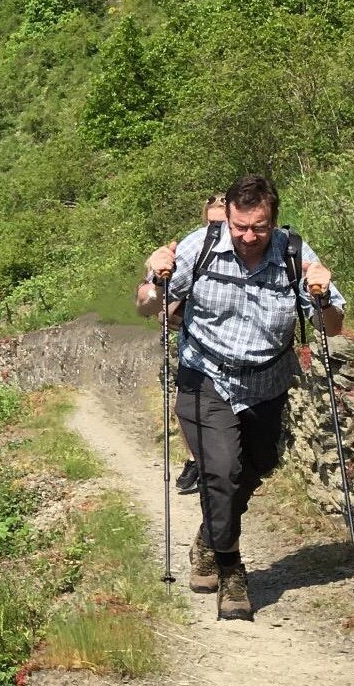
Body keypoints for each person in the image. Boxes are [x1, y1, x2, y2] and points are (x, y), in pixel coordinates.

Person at [142, 174, 345, 622]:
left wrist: (324, 292)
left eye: (259, 227)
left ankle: (209, 536)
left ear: (273, 219)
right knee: (221, 472)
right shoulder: (200, 246)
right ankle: (232, 572)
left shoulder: (293, 253)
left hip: (267, 382)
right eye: (240, 227)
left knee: (255, 468)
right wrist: (153, 278)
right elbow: (146, 307)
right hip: (206, 376)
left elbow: (332, 327)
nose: (249, 237)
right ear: (228, 218)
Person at [135, 193, 229, 494]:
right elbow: (159, 301)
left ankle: (217, 467)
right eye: (213, 222)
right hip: (195, 346)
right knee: (184, 406)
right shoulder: (196, 249)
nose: (218, 228)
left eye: (224, 222)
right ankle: (195, 460)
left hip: (233, 349)